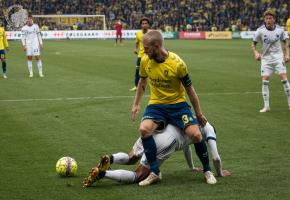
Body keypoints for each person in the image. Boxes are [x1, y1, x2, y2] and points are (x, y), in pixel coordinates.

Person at [131, 30, 214, 186]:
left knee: (196, 135)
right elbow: (142, 83)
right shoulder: (144, 60)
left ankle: (207, 171)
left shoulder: (178, 64)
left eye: (147, 48)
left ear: (157, 46)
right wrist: (136, 104)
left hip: (178, 105)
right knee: (144, 130)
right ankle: (155, 172)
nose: (145, 52)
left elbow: (190, 90)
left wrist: (199, 113)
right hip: (156, 105)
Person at [83, 122, 230, 187]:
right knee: (138, 175)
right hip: (166, 142)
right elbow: (215, 157)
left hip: (153, 130)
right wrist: (220, 173)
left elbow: (187, 147)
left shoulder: (192, 121)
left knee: (130, 158)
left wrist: (192, 167)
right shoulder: (208, 130)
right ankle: (103, 174)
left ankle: (111, 158)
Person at [252, 10, 290, 112]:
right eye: (266, 18)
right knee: (265, 80)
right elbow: (253, 44)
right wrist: (256, 53)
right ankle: (266, 106)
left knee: (283, 78)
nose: (268, 20)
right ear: (264, 19)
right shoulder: (260, 31)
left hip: (278, 58)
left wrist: (287, 55)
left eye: (270, 18)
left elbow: (285, 43)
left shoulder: (280, 30)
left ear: (274, 19)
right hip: (266, 59)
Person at [129, 17, 150, 92]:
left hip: (150, 56)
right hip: (141, 55)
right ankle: (136, 86)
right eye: (143, 23)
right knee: (137, 71)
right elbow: (137, 42)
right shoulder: (138, 33)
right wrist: (135, 49)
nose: (144, 25)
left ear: (148, 25)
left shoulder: (151, 33)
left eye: (146, 23)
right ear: (141, 25)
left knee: (152, 70)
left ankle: (152, 85)